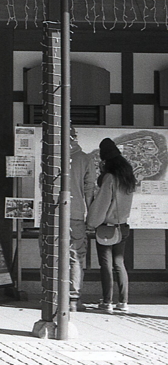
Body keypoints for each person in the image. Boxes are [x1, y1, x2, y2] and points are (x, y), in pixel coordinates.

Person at [87, 138, 136, 313]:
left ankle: (107, 302)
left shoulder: (109, 178)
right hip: (123, 226)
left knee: (106, 265)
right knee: (119, 263)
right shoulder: (128, 176)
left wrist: (91, 223)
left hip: (107, 227)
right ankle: (123, 302)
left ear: (106, 160)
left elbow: (102, 204)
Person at [68, 128, 96, 311]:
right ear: (75, 138)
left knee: (52, 255)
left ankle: (53, 295)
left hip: (52, 216)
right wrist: (91, 217)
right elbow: (89, 191)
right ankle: (73, 300)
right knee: (76, 257)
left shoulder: (52, 156)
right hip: (76, 214)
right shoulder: (85, 159)